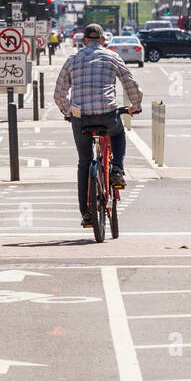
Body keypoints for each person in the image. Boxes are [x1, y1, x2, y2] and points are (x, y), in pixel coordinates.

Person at [53, 23, 142, 228]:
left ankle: (86, 214)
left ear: (84, 41)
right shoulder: (112, 57)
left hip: (81, 117)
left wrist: (69, 112)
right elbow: (130, 83)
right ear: (103, 40)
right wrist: (135, 106)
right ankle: (117, 168)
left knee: (84, 162)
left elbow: (59, 94)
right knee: (118, 134)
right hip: (107, 115)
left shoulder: (72, 60)